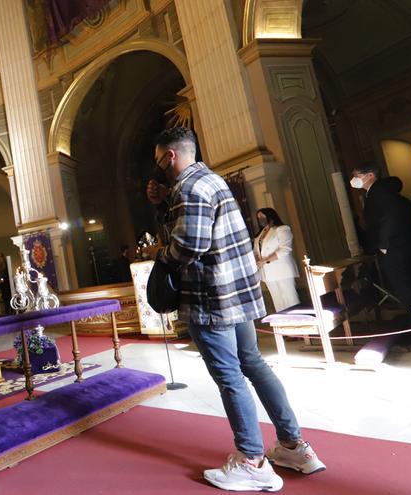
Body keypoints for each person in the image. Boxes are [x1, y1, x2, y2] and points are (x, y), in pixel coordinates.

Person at [146, 127, 324, 492]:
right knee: (254, 365)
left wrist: (156, 254)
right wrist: (165, 202)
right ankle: (294, 447)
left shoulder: (189, 188)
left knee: (230, 376)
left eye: (159, 161)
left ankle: (252, 461)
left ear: (171, 157)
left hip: (210, 297)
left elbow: (188, 246)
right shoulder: (211, 181)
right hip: (236, 292)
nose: (159, 168)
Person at [350, 164, 411, 312]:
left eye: (356, 176)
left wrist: (383, 244)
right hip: (400, 245)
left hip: (392, 247)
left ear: (370, 175)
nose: (353, 180)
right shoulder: (380, 192)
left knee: (403, 285)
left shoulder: (378, 191)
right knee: (409, 282)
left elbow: (389, 217)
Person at [254, 208, 300, 312]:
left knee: (289, 298)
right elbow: (256, 251)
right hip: (266, 272)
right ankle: (283, 323)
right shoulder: (260, 234)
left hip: (281, 270)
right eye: (258, 218)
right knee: (277, 300)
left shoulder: (282, 229)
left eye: (262, 216)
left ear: (270, 216)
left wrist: (265, 260)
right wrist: (258, 260)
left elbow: (285, 249)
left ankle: (298, 322)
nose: (260, 219)